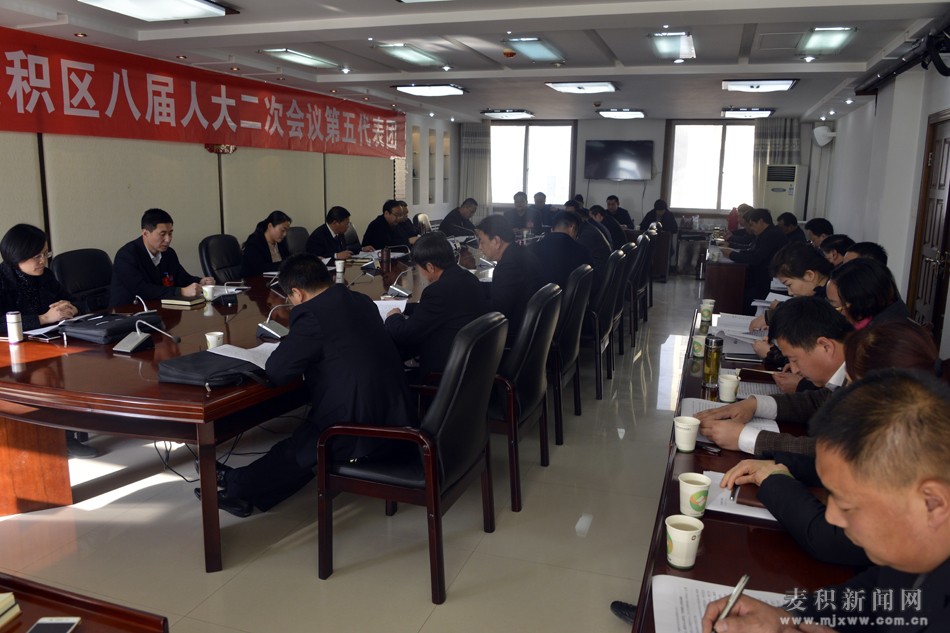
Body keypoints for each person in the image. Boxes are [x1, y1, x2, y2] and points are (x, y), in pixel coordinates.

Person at [702, 370, 950, 633]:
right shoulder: (907, 554)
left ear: (932, 504)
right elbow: (869, 595)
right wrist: (787, 616)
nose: (831, 516)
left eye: (846, 505)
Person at [206, 254, 415, 516]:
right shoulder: (360, 300)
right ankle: (248, 494)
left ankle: (235, 485)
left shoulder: (312, 314)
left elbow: (278, 371)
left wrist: (290, 346)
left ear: (297, 293)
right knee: (303, 446)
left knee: (303, 449)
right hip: (395, 410)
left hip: (361, 426)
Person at [697, 297, 852, 455]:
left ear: (826, 346)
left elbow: (837, 452)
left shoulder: (862, 377)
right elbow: (819, 401)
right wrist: (754, 405)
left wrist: (746, 438)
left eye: (794, 359)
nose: (794, 370)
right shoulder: (848, 366)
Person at [0, 225, 95, 459]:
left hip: (47, 345)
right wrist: (43, 318)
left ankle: (67, 436)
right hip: (11, 353)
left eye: (45, 254)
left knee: (66, 374)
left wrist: (71, 308)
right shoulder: (2, 281)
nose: (43, 261)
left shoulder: (45, 275)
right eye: (37, 256)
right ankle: (51, 440)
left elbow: (72, 300)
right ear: (17, 256)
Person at [384, 233, 487, 378]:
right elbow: (436, 310)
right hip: (471, 366)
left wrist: (393, 316)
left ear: (430, 267)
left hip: (443, 374)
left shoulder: (437, 291)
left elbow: (404, 334)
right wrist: (404, 307)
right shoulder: (469, 278)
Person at [110, 208, 213, 307]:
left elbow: (181, 277)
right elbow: (142, 290)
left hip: (160, 308)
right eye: (162, 234)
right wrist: (180, 291)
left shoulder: (169, 253)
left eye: (170, 233)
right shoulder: (126, 256)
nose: (168, 239)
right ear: (145, 233)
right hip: (128, 311)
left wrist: (200, 281)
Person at [476, 215, 544, 342]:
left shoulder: (508, 266)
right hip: (531, 327)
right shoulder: (520, 253)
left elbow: (498, 311)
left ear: (496, 241)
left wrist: (471, 305)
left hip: (515, 335)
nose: (480, 247)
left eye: (482, 241)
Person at [721, 208, 788, 315]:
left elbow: (756, 258)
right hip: (761, 276)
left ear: (761, 221)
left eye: (752, 225)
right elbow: (752, 250)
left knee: (747, 299)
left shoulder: (772, 235)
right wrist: (731, 250)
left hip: (767, 279)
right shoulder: (765, 233)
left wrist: (732, 254)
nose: (751, 228)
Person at [826, 258, 910, 330]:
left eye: (835, 307)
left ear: (859, 305)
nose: (832, 313)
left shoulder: (883, 339)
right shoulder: (891, 313)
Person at [531, 211, 594, 288]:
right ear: (572, 227)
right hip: (569, 294)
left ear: (552, 229)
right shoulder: (582, 251)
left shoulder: (532, 249)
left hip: (538, 294)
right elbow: (593, 282)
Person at [566, 201, 611, 296]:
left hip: (597, 279)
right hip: (603, 274)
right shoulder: (588, 227)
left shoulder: (587, 234)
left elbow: (575, 256)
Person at [240, 210, 291, 277]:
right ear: (270, 226)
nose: (285, 234)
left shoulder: (281, 243)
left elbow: (288, 260)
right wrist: (285, 264)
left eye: (287, 231)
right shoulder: (254, 244)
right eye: (282, 230)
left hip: (277, 280)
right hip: (255, 280)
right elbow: (260, 269)